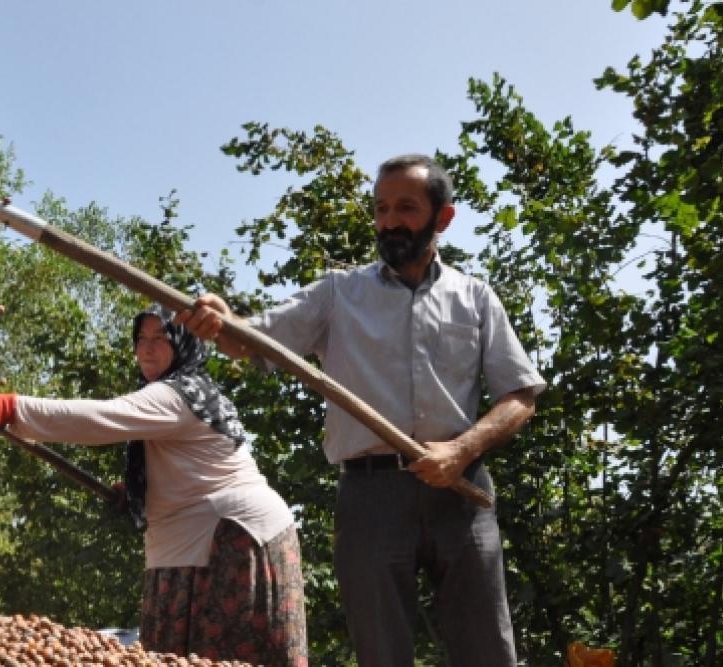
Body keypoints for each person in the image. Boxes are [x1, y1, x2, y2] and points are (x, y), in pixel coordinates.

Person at [177, 154, 546, 666]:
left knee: (488, 651)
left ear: (443, 218)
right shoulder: (338, 293)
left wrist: (462, 450)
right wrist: (223, 321)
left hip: (461, 492)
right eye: (381, 208)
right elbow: (249, 340)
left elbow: (520, 396)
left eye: (406, 208)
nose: (390, 221)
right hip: (371, 497)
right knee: (381, 655)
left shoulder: (475, 298)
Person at [0, 304, 308, 666]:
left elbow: (100, 419)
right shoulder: (187, 392)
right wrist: (141, 494)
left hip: (228, 541)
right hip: (205, 540)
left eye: (160, 338)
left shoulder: (178, 394)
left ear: (183, 343)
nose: (147, 348)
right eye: (141, 338)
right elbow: (191, 466)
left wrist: (14, 408)